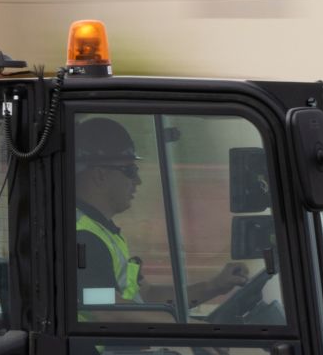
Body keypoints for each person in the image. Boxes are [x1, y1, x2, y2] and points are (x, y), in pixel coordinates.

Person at [75, 116, 250, 309]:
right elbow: (104, 309)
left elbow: (147, 296)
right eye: (130, 170)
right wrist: (191, 329)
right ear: (100, 175)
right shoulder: (84, 238)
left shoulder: (103, 232)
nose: (138, 181)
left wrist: (214, 286)